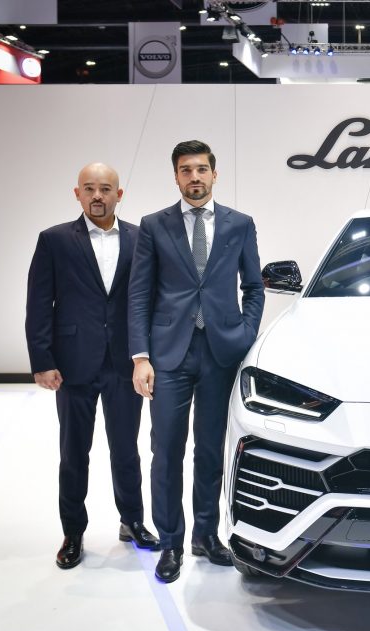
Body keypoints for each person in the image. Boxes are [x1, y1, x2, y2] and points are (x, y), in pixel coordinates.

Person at [128, 140, 265, 584]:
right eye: (186, 170)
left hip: (221, 352)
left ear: (214, 174)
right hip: (169, 354)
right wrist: (141, 356)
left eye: (202, 169)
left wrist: (245, 333)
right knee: (166, 449)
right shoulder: (154, 225)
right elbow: (139, 294)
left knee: (209, 450)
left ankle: (205, 535)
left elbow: (254, 287)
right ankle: (171, 541)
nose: (195, 177)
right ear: (176, 176)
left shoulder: (239, 224)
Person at [26, 163, 159, 570]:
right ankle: (73, 532)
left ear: (119, 194)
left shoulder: (140, 238)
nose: (97, 195)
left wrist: (148, 355)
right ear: (77, 194)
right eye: (89, 188)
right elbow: (39, 303)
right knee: (73, 453)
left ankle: (132, 521)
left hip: (124, 362)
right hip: (73, 364)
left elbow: (150, 300)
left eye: (105, 188)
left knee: (127, 450)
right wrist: (42, 360)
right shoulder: (54, 240)